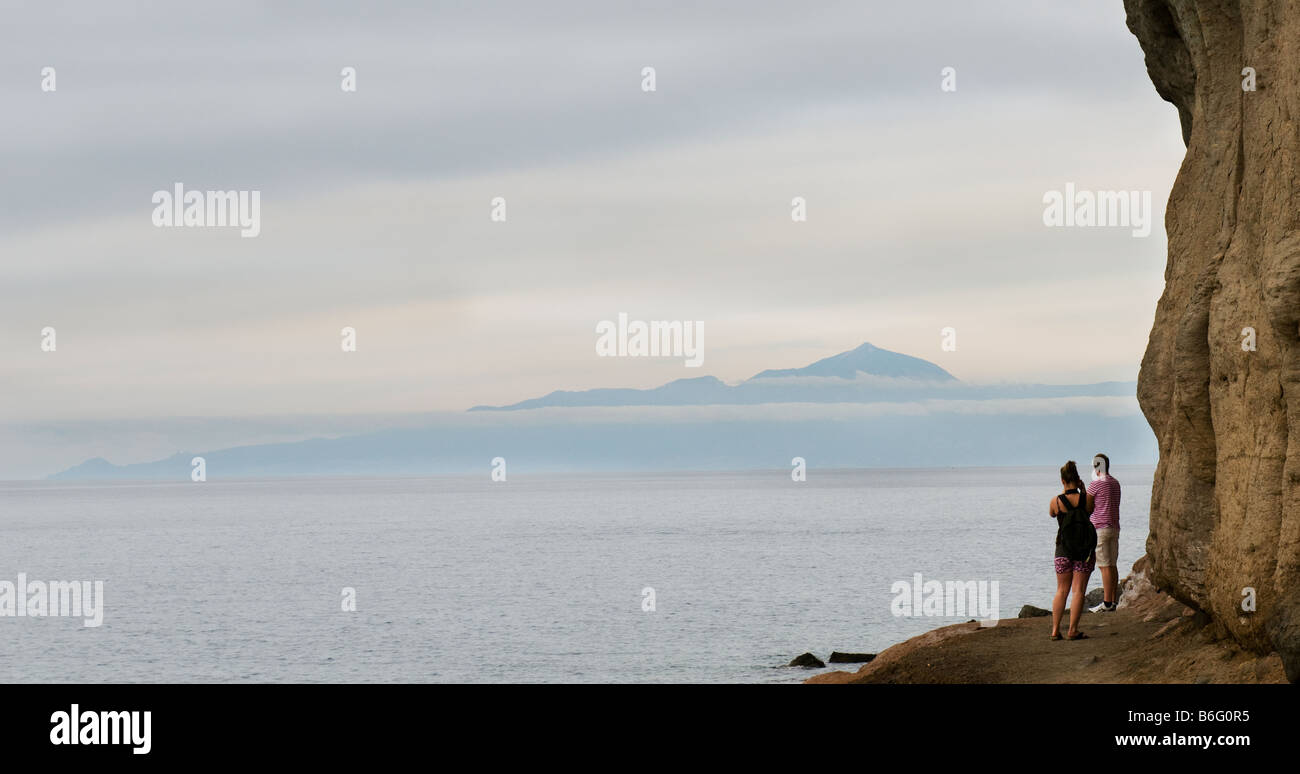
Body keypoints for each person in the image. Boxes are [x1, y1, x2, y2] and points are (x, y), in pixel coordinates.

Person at [1049, 460, 1097, 640]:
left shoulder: (1056, 501)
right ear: (1078, 479)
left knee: (1061, 590)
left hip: (1062, 549)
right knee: (1078, 591)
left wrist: (1064, 493)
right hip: (1084, 550)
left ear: (1062, 480)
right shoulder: (1087, 499)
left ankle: (1055, 631)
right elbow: (1089, 512)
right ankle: (1072, 630)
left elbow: (1052, 513)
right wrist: (1083, 491)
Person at [1087, 453, 1121, 611]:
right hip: (1114, 527)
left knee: (1104, 566)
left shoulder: (1096, 484)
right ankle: (1113, 600)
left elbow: (1087, 506)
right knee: (1112, 565)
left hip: (1100, 528)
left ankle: (1107, 603)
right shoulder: (1115, 483)